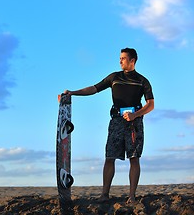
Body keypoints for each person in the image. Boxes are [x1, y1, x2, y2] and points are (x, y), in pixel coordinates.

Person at [64, 47, 154, 204]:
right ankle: (104, 194)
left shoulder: (142, 81)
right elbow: (94, 88)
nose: (120, 60)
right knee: (109, 157)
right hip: (116, 121)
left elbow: (150, 105)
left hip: (134, 123)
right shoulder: (114, 77)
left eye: (123, 58)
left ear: (132, 61)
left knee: (134, 157)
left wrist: (135, 115)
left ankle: (131, 196)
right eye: (120, 58)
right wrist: (72, 92)